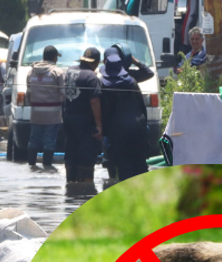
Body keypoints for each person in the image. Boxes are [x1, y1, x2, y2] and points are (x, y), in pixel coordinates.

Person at [99, 45, 155, 181]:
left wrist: (104, 131)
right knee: (140, 166)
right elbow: (142, 107)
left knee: (124, 168)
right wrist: (143, 126)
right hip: (137, 128)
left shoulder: (103, 84)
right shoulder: (131, 81)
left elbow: (103, 110)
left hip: (117, 132)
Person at [61, 47, 104, 184]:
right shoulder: (91, 77)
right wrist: (99, 125)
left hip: (68, 119)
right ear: (96, 63)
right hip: (85, 122)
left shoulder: (70, 71)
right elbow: (94, 101)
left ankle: (70, 185)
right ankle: (85, 190)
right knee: (86, 157)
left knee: (71, 154)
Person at [25, 45, 65, 168]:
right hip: (52, 114)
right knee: (49, 140)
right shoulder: (57, 72)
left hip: (36, 113)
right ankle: (47, 166)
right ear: (54, 57)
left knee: (34, 139)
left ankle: (31, 165)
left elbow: (28, 94)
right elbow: (63, 94)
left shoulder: (31, 72)